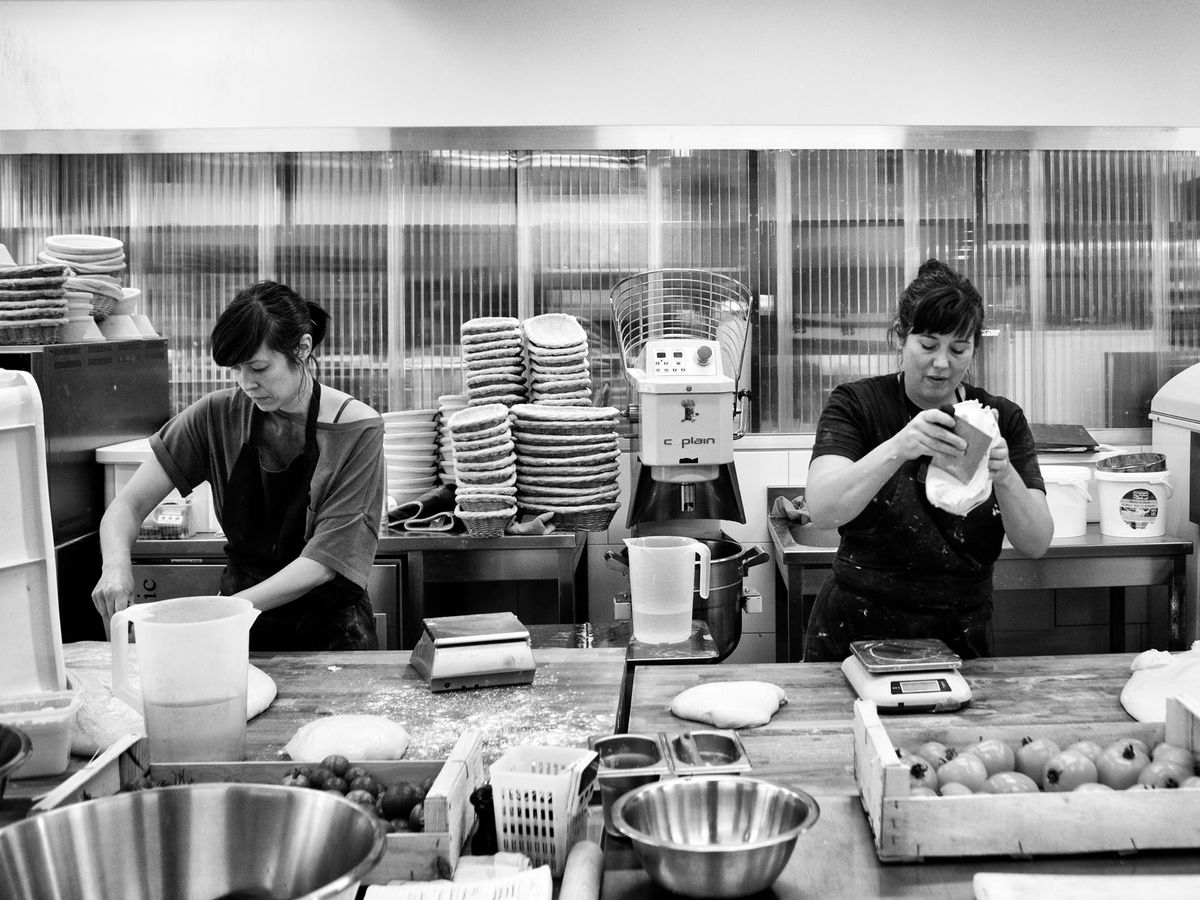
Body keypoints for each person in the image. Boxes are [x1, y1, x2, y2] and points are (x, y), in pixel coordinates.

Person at [92, 280, 385, 651]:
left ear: (302, 348)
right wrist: (115, 566)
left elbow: (323, 563)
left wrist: (221, 612)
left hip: (332, 636)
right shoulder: (215, 417)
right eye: (236, 369)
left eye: (259, 368)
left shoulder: (356, 429)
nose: (246, 383)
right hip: (240, 634)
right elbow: (127, 506)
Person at [802, 259, 1053, 663]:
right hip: (855, 630)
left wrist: (1004, 475)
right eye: (928, 344)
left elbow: (1037, 542)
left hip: (960, 635)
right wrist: (900, 446)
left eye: (958, 349)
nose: (942, 363)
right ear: (900, 338)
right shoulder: (857, 405)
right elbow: (824, 509)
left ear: (974, 348)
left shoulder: (1000, 418)